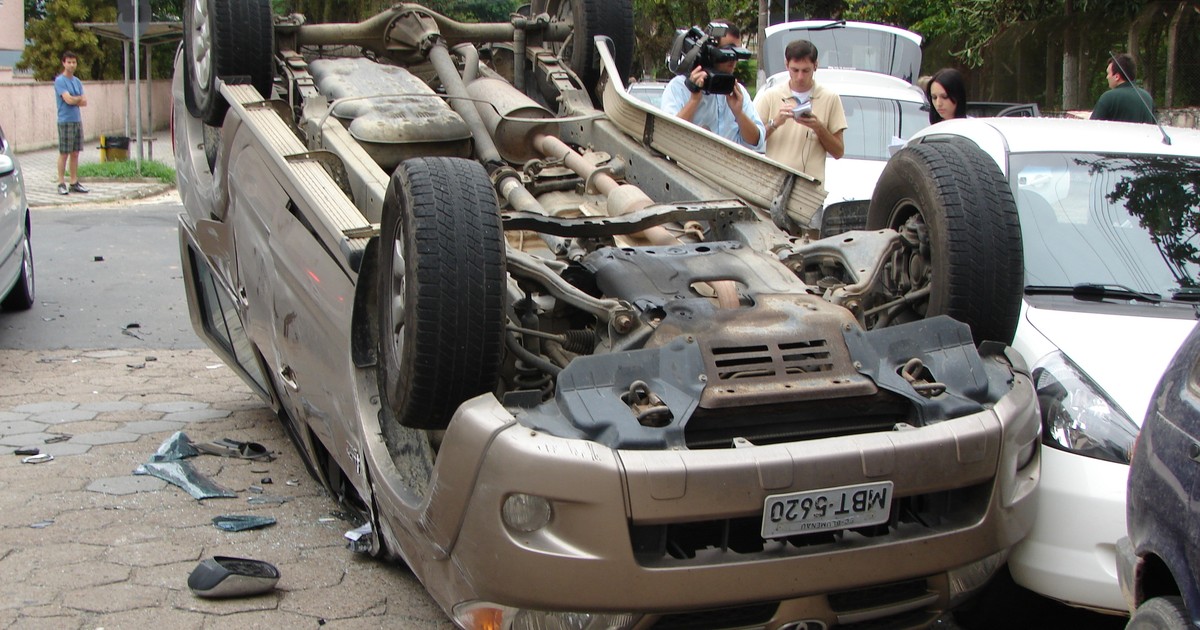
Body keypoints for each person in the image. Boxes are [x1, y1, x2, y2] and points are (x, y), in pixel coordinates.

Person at [660, 22, 765, 152]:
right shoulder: (679, 87)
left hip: (730, 168)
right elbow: (667, 136)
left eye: (737, 53)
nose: (733, 60)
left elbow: (757, 141)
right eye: (727, 52)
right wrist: (694, 100)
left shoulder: (738, 92)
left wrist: (739, 113)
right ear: (708, 51)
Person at [753, 39, 846, 188]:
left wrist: (819, 128)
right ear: (786, 65)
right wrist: (775, 123)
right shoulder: (770, 96)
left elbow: (839, 151)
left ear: (816, 66)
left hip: (810, 192)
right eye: (795, 70)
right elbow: (751, 140)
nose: (800, 77)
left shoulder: (830, 98)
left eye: (806, 70)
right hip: (774, 187)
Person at [54, 51, 89, 195]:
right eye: (69, 62)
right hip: (65, 121)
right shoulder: (60, 81)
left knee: (75, 153)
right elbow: (67, 100)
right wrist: (77, 99)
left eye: (74, 62)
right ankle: (61, 182)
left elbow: (85, 101)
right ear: (63, 63)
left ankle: (74, 182)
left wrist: (76, 99)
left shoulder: (77, 81)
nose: (71, 65)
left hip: (76, 120)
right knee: (64, 153)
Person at [1091, 53, 1156, 124]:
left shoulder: (1108, 97)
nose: (1107, 77)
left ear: (1117, 77)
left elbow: (1092, 128)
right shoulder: (1147, 98)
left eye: (1108, 73)